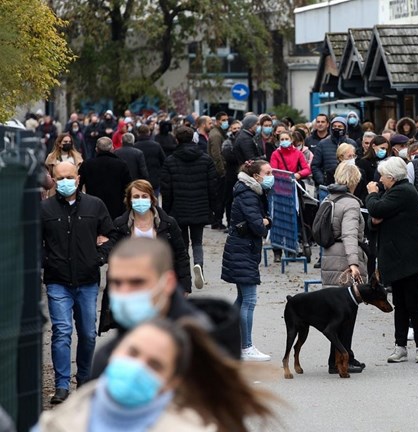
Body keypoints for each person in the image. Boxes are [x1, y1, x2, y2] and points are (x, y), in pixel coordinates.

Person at [35, 318, 274, 432]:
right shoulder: (64, 418)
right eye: (133, 352)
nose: (137, 367)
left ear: (172, 383)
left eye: (155, 365)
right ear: (115, 351)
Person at [88, 238, 240, 381]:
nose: (125, 292)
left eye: (137, 282)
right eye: (117, 282)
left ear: (168, 282)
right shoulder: (108, 358)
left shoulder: (205, 346)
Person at [41, 161, 116, 404]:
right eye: (60, 177)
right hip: (58, 280)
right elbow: (34, 241)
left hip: (86, 279)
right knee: (62, 332)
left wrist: (100, 257)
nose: (65, 182)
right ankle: (62, 385)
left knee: (88, 333)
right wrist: (47, 261)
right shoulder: (45, 209)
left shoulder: (95, 205)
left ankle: (84, 379)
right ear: (53, 179)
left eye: (69, 177)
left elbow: (112, 234)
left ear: (78, 178)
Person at [366, 157, 418, 364]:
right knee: (401, 304)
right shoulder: (394, 192)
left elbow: (377, 209)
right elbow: (375, 218)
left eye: (382, 177)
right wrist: (375, 215)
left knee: (413, 304)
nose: (380, 180)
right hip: (397, 258)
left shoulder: (403, 191)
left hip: (411, 259)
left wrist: (372, 194)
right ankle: (400, 345)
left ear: (391, 177)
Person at [221, 159, 273, 362]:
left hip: (242, 249)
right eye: (267, 173)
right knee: (249, 300)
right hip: (243, 250)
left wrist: (265, 220)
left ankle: (227, 337)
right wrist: (266, 222)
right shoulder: (249, 195)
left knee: (242, 298)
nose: (271, 176)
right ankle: (246, 346)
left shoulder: (251, 192)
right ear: (255, 176)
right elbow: (258, 226)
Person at [321, 161, 369, 373]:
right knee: (346, 314)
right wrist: (353, 263)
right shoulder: (350, 204)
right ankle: (341, 360)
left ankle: (341, 356)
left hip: (330, 256)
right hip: (343, 259)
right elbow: (350, 234)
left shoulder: (329, 197)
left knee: (336, 314)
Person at [161, 126, 217, 290]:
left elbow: (166, 189)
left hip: (178, 208)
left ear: (176, 140)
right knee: (197, 241)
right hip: (200, 206)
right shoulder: (206, 159)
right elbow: (212, 186)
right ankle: (198, 264)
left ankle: (184, 271)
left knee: (182, 242)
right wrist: (213, 208)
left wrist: (166, 210)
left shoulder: (170, 161)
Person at [113, 180, 192, 293]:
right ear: (130, 200)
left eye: (144, 196)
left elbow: (181, 256)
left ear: (151, 198)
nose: (140, 200)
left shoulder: (168, 223)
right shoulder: (121, 225)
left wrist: (185, 287)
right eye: (136, 196)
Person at [78, 137, 133, 219]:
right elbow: (128, 186)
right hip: (116, 207)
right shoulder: (121, 165)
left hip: (93, 206)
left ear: (96, 149)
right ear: (112, 148)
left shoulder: (87, 165)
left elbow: (78, 184)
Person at [311, 116, 358, 186]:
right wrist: (322, 181)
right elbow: (315, 166)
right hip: (328, 185)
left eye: (340, 126)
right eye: (334, 126)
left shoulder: (352, 143)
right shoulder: (322, 144)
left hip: (348, 184)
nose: (337, 128)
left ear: (345, 128)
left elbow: (357, 164)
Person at [208, 112, 229, 230]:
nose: (225, 122)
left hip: (218, 170)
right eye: (223, 120)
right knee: (219, 198)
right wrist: (222, 171)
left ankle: (217, 220)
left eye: (226, 119)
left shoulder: (219, 133)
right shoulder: (216, 135)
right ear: (217, 121)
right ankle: (217, 221)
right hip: (218, 171)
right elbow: (217, 155)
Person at [134, 125, 166, 196]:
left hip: (140, 180)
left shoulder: (135, 146)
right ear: (148, 133)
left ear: (138, 133)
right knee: (154, 200)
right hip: (155, 177)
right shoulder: (156, 145)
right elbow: (163, 160)